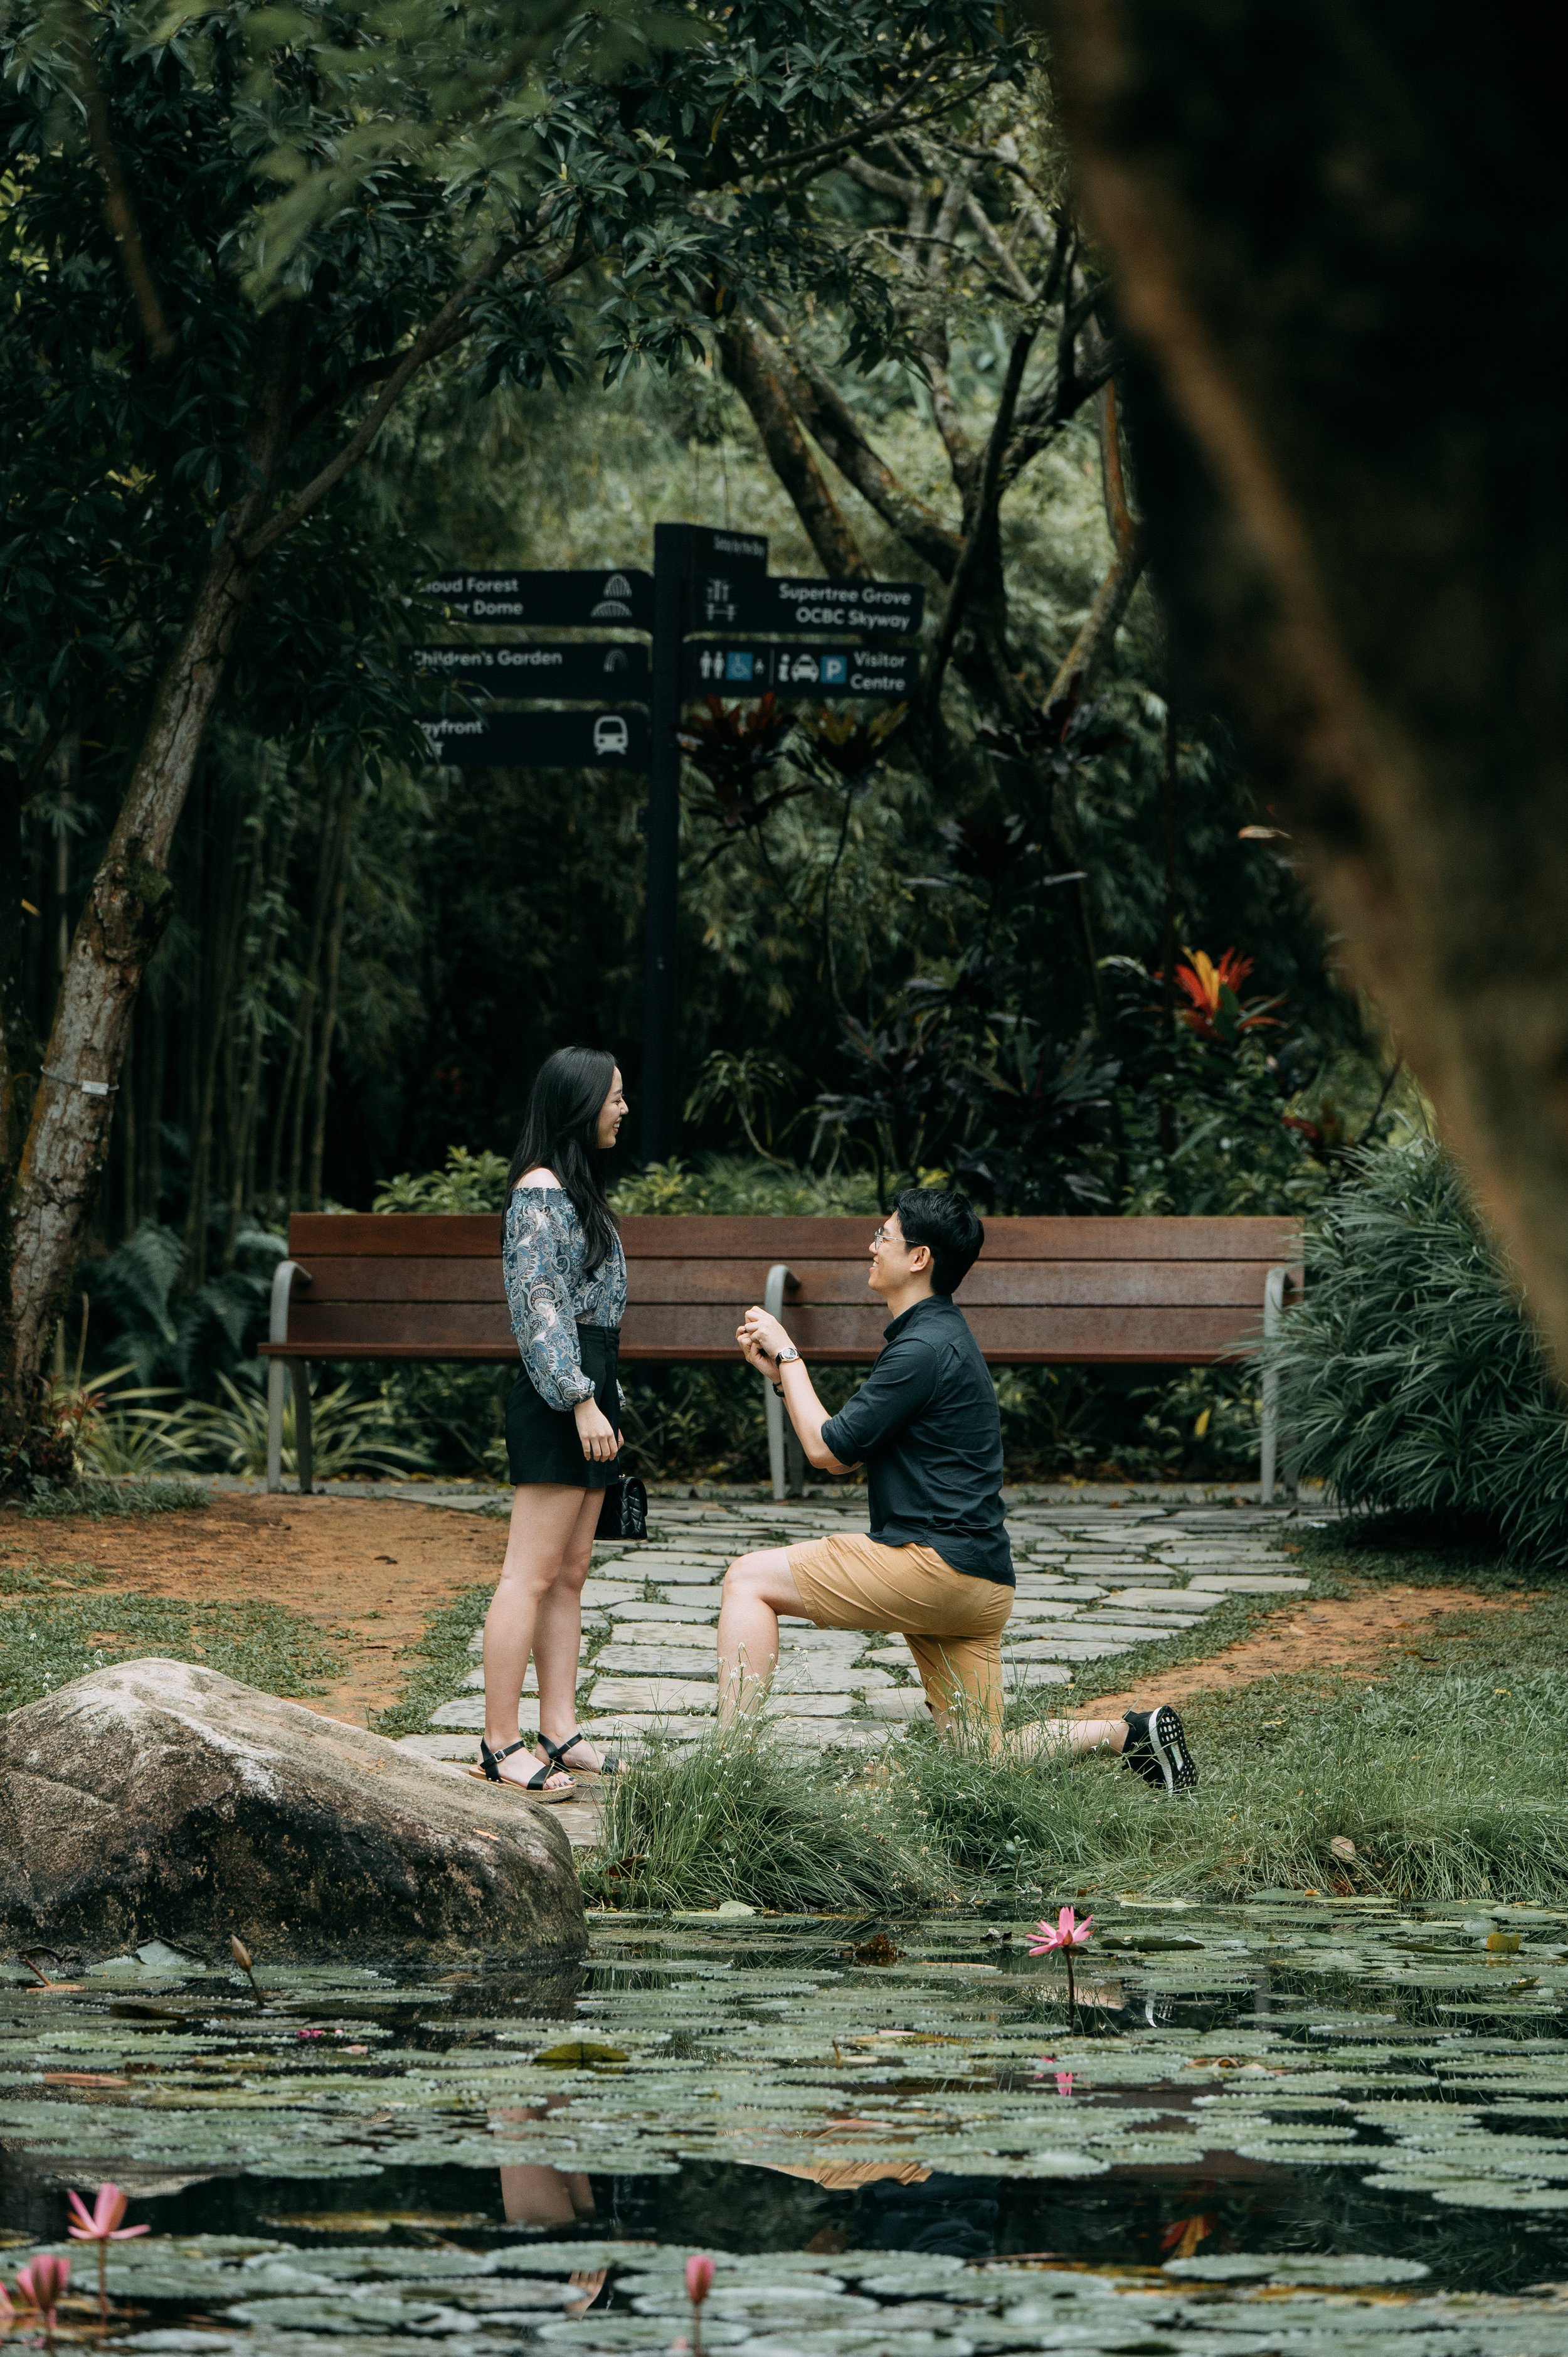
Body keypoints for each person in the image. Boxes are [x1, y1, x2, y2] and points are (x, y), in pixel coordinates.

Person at [723, 1186, 1199, 1792]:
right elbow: (842, 1452)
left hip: (933, 1567)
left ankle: (726, 1771)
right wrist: (783, 1378)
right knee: (980, 1761)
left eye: (884, 1236)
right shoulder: (939, 1336)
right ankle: (1131, 1735)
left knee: (748, 1579)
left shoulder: (921, 1349)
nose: (872, 1246)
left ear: (919, 1257)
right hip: (980, 1582)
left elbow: (826, 1451)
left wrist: (789, 1355)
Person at [472, 1046, 628, 1799]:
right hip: (561, 1393)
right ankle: (499, 1741)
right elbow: (539, 1310)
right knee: (527, 1574)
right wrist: (579, 1397)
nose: (623, 1109)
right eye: (614, 1096)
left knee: (569, 1572)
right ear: (579, 1103)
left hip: (592, 1387)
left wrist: (601, 1395)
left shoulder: (575, 1190)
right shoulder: (539, 1192)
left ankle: (558, 1729)